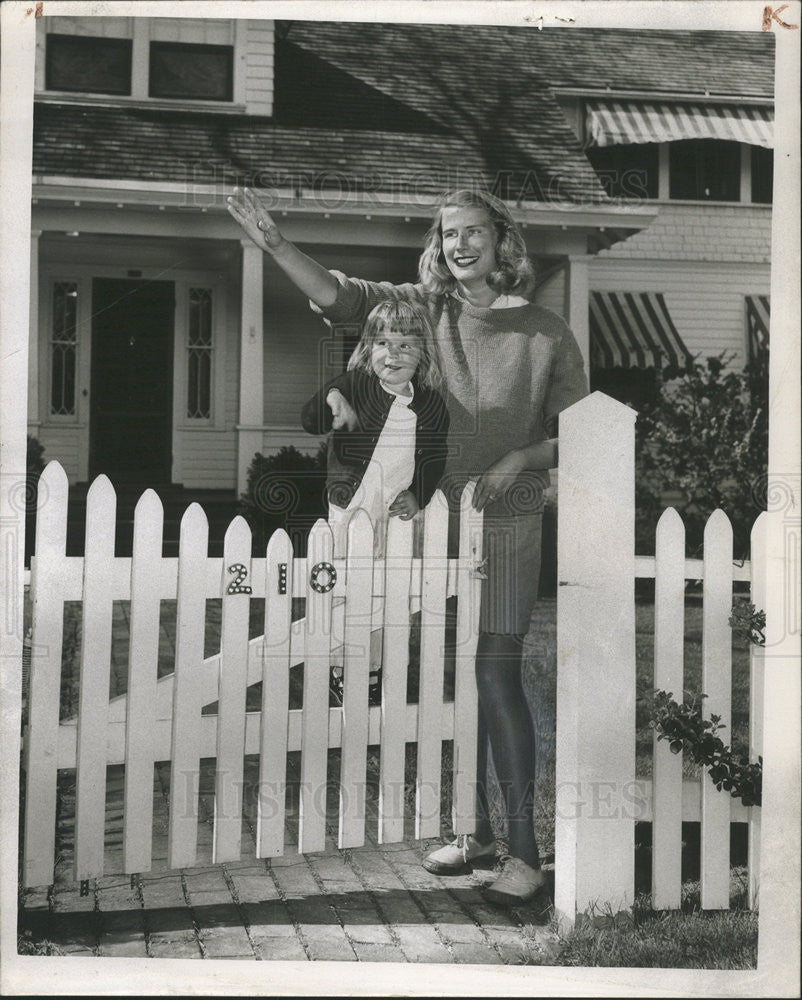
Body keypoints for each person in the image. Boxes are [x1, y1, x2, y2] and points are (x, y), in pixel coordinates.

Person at [227, 185, 588, 906]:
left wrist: (520, 459)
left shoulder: (548, 333)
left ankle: (526, 853)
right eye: (448, 233)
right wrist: (275, 245)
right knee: (462, 684)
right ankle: (478, 834)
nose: (459, 245)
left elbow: (582, 429)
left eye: (474, 232)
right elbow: (339, 295)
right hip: (431, 528)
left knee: (495, 675)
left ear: (503, 242)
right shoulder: (425, 310)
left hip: (509, 523)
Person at [300, 298, 449, 705]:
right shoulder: (353, 386)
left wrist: (418, 492)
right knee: (343, 592)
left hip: (393, 518)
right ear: (368, 349)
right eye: (384, 343)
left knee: (386, 599)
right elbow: (309, 418)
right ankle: (336, 671)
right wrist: (332, 400)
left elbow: (434, 458)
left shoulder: (432, 405)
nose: (394, 354)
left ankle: (369, 674)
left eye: (406, 345)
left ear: (423, 352)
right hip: (349, 512)